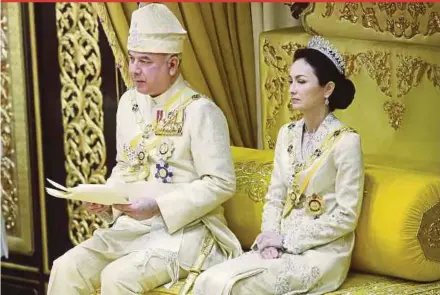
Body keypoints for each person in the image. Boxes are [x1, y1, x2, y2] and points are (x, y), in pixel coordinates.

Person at [47, 4, 242, 295]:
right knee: (66, 267)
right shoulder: (129, 103)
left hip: (186, 231)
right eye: (132, 59)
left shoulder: (200, 111)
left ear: (172, 65)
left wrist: (158, 206)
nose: (134, 69)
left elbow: (222, 182)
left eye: (145, 61)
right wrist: (107, 199)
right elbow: (125, 168)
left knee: (117, 278)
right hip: (132, 227)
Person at [194, 35, 365, 295]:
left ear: (327, 89)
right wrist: (270, 238)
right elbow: (275, 196)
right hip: (278, 243)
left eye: (301, 81)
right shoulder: (287, 133)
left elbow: (346, 217)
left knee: (232, 287)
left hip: (321, 252)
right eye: (290, 81)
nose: (292, 89)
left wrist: (287, 240)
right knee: (208, 280)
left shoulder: (346, 142)